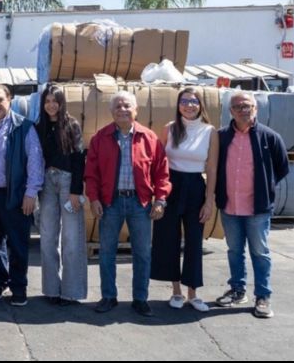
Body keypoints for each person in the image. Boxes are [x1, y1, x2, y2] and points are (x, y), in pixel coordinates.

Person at [85, 91, 171, 317]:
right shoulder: (100, 138)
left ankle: (140, 298)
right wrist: (94, 199)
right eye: (118, 106)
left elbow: (162, 172)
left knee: (142, 253)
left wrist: (160, 199)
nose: (122, 109)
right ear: (111, 111)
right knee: (107, 253)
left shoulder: (149, 138)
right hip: (110, 202)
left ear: (136, 110)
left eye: (127, 106)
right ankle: (108, 296)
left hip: (139, 202)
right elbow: (91, 173)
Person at [214, 92, 288, 318]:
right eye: (237, 106)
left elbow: (282, 167)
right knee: (234, 251)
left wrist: (266, 186)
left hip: (257, 208)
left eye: (247, 106)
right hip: (230, 207)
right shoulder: (222, 137)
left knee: (260, 252)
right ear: (230, 111)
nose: (242, 109)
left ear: (255, 108)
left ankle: (263, 296)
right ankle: (237, 290)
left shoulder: (270, 137)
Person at [0, 84, 44, 307]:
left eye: (0, 99)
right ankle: (0, 280)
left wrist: (31, 193)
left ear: (10, 100)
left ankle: (19, 286)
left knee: (18, 243)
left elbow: (35, 162)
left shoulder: (23, 127)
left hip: (14, 196)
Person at [151, 87, 218, 313]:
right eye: (185, 101)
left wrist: (209, 201)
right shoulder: (169, 129)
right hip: (172, 186)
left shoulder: (210, 131)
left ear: (200, 105)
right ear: (178, 105)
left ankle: (193, 293)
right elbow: (159, 162)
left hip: (196, 188)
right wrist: (158, 195)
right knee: (169, 239)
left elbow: (212, 167)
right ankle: (176, 291)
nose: (189, 105)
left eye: (194, 101)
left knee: (194, 242)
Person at [34, 84, 87, 306]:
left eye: (55, 101)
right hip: (47, 182)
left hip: (67, 182)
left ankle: (71, 292)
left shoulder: (72, 125)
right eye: (47, 101)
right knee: (47, 237)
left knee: (72, 238)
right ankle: (51, 290)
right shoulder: (38, 127)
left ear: (61, 102)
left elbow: (78, 159)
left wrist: (76, 191)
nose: (51, 105)